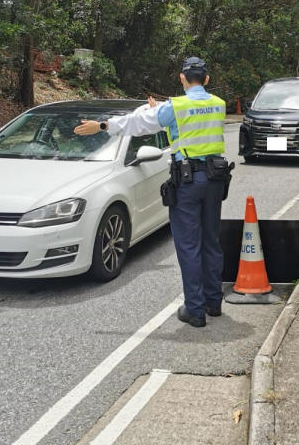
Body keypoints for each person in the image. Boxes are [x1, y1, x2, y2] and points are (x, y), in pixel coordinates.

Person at [74, 56, 228, 328]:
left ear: (182, 78)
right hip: (215, 181)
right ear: (207, 79)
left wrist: (102, 125)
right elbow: (187, 124)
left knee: (189, 245)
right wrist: (162, 112)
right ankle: (213, 303)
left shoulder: (175, 107)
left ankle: (195, 309)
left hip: (188, 182)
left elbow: (139, 123)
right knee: (210, 241)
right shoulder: (218, 104)